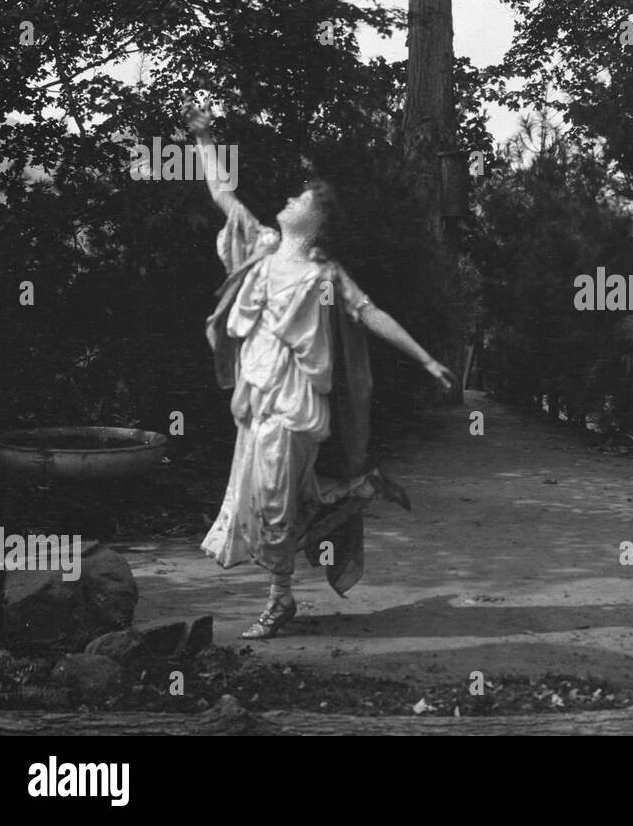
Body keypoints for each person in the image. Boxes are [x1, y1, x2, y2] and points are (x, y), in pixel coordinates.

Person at [187, 102, 455, 639]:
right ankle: (351, 495)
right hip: (256, 395)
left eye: (301, 197)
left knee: (272, 502)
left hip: (297, 399)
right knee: (269, 499)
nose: (289, 199)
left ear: (320, 217)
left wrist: (425, 357)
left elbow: (370, 312)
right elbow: (223, 194)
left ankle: (282, 598)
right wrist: (203, 138)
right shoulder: (261, 247)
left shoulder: (325, 274)